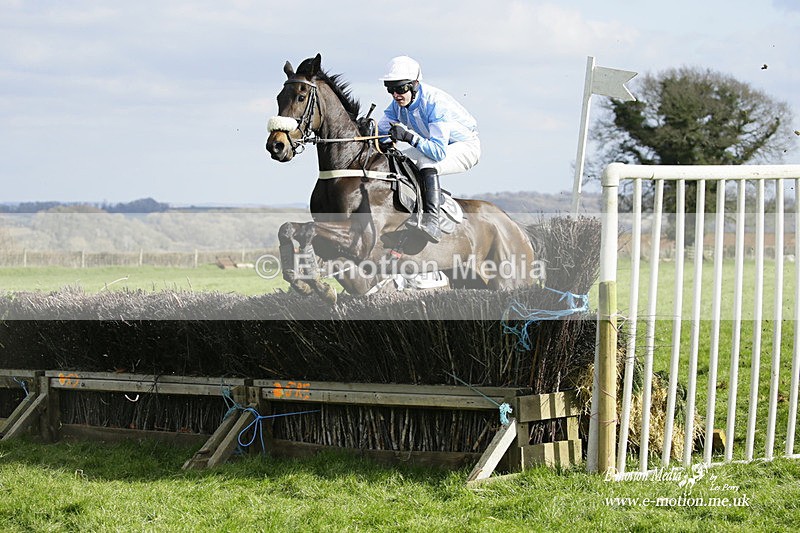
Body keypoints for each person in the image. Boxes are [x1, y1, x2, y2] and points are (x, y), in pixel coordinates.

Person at [377, 56, 480, 243]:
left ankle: (432, 220)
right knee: (399, 160)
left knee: (426, 162)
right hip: (435, 146)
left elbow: (438, 152)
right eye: (390, 89)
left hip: (465, 147)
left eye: (400, 88)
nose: (395, 95)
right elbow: (380, 132)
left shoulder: (434, 104)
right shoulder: (397, 105)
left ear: (415, 84)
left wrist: (408, 137)